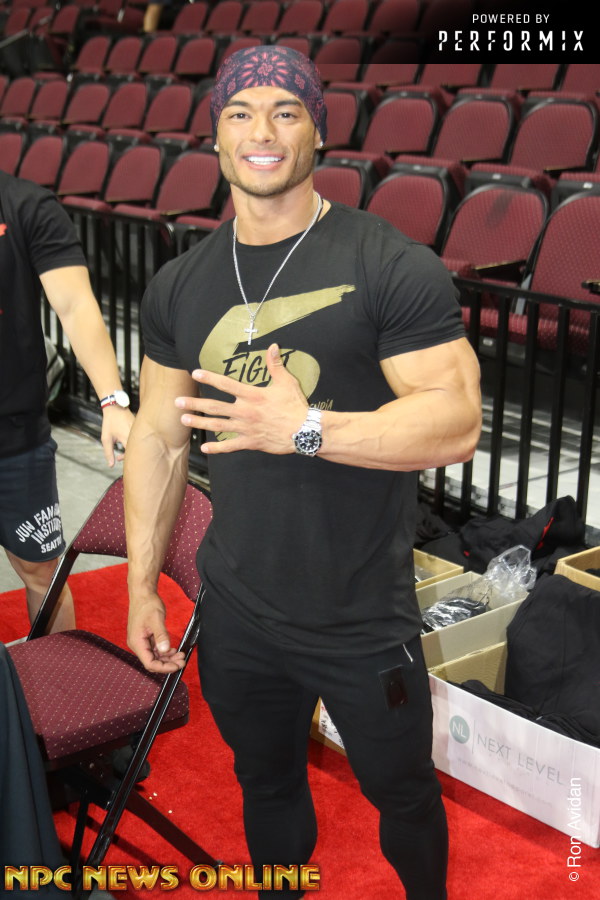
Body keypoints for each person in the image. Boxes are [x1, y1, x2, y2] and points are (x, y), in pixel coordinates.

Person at [124, 46, 482, 900]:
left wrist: (308, 430)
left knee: (403, 793)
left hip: (361, 614)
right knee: (268, 784)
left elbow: (457, 421)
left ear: (318, 131)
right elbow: (159, 440)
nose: (262, 131)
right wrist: (140, 586)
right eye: (241, 113)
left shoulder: (385, 262)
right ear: (215, 136)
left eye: (286, 112)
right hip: (240, 608)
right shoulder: (180, 283)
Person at [0, 171, 134, 633]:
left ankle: (58, 676)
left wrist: (112, 400)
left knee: (41, 572)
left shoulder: (26, 205)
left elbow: (75, 305)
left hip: (15, 436)